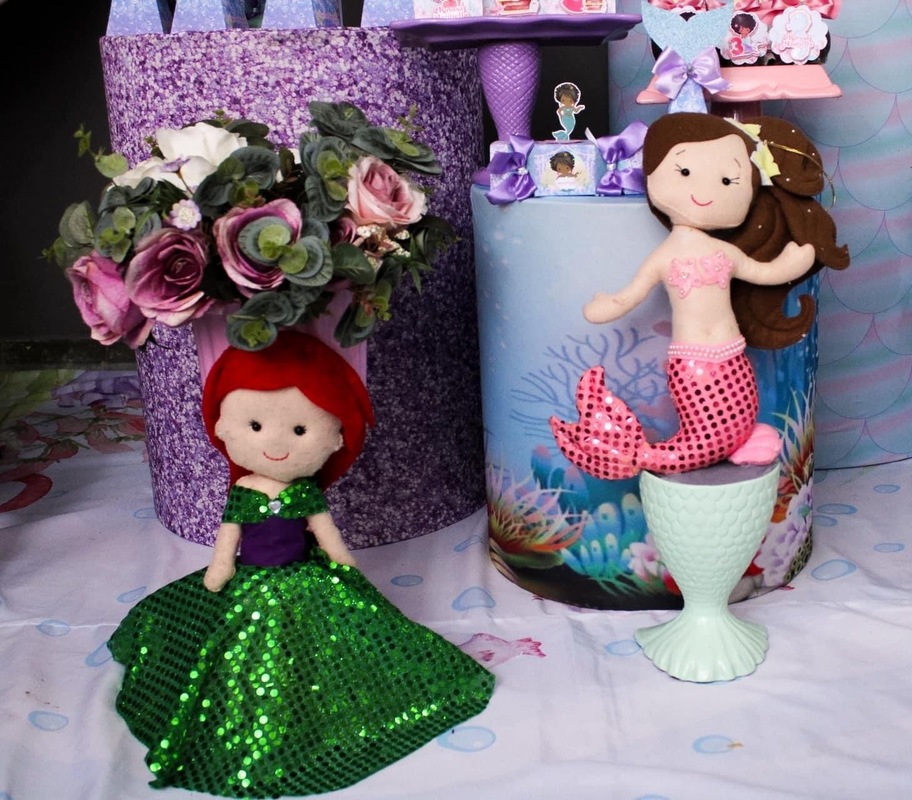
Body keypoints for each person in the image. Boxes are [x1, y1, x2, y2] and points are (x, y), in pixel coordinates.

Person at [107, 331, 495, 798]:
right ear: (224, 427)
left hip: (305, 579)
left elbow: (326, 534)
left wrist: (341, 561)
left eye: (299, 430)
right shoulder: (244, 492)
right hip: (251, 582)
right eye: (255, 426)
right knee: (240, 650)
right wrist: (220, 568)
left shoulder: (305, 493)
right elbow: (229, 536)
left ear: (335, 437)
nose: (276, 443)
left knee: (335, 645)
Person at [550, 112, 848, 481]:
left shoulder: (724, 251)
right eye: (686, 172)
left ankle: (737, 441)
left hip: (733, 357)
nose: (705, 191)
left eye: (727, 180)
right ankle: (643, 455)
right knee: (705, 430)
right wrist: (608, 305)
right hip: (693, 365)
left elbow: (763, 273)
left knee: (741, 413)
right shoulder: (665, 256)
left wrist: (793, 261)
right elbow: (633, 293)